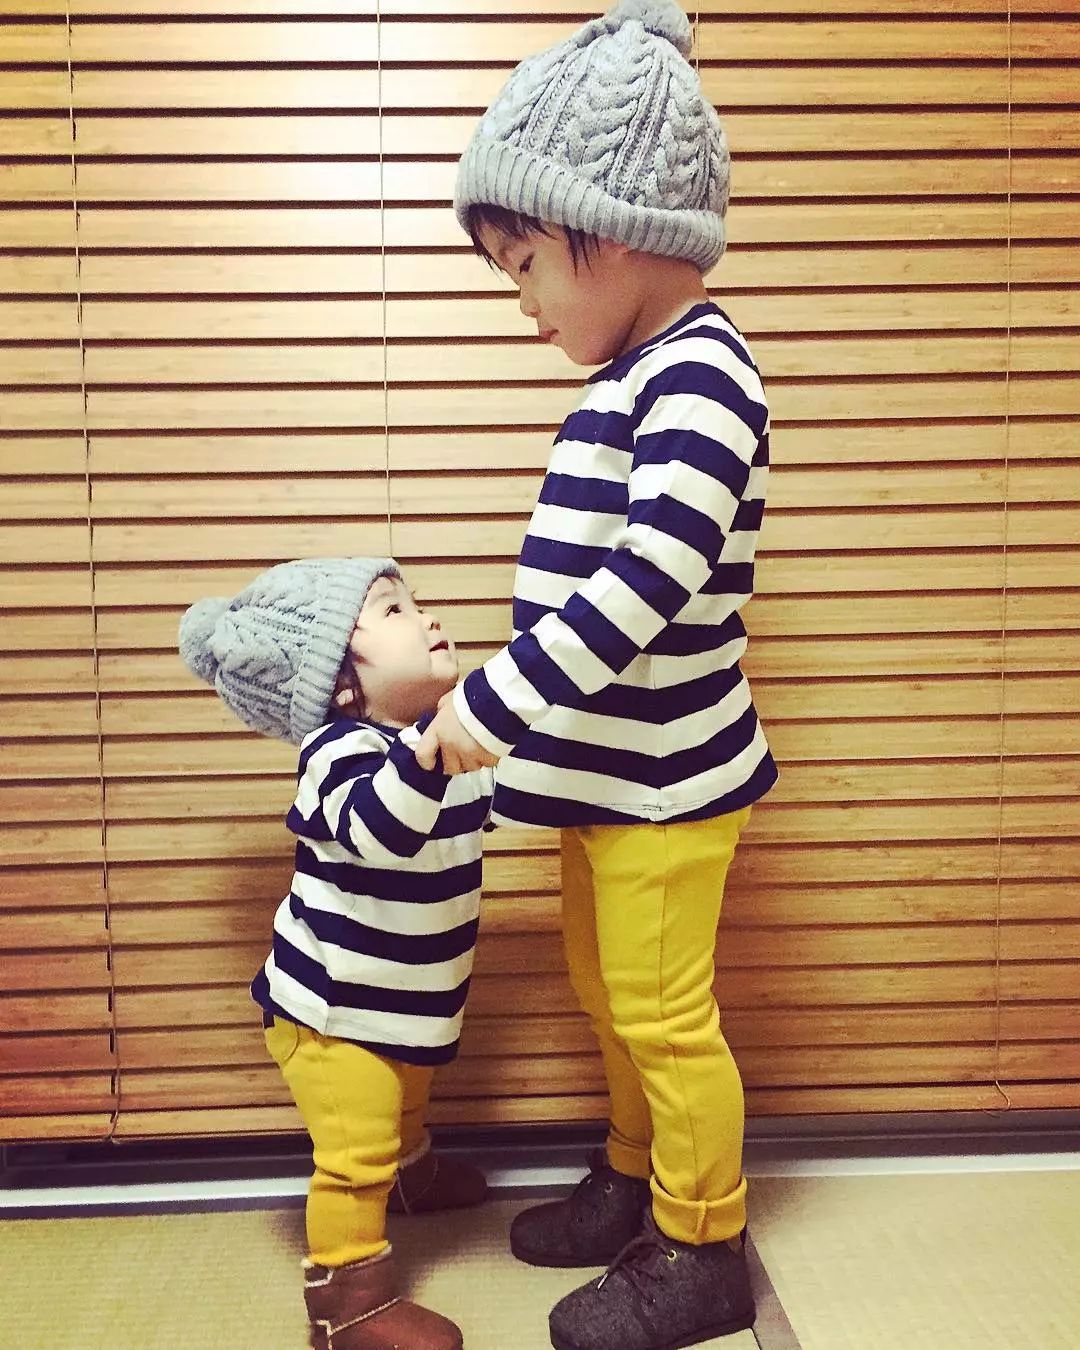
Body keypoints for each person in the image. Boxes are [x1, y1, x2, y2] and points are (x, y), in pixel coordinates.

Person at [415, 1, 777, 1346]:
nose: (522, 303)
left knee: (665, 1014)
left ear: (606, 232)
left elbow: (642, 584)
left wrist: (496, 700)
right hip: (607, 784)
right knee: (610, 994)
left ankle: (702, 1239)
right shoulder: (632, 375)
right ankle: (634, 1173)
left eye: (524, 267)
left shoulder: (704, 379)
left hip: (669, 790)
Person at [179, 557, 496, 1350]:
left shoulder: (437, 743)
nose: (426, 617)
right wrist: (433, 749)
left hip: (402, 1000)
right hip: (332, 1011)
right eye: (394, 610)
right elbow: (379, 829)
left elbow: (503, 800)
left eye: (416, 603)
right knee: (356, 1151)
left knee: (405, 1099)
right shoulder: (340, 753)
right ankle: (348, 1304)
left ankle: (410, 1177)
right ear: (340, 684)